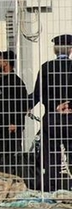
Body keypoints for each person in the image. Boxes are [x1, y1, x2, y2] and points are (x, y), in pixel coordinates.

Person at [32, 34, 72, 191]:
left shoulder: (46, 67)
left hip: (52, 118)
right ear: (70, 50)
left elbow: (37, 94)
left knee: (51, 157)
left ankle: (50, 190)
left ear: (55, 50)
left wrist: (23, 105)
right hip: (70, 118)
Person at [0, 50, 29, 177]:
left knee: (12, 154)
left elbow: (20, 104)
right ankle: (4, 177)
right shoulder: (1, 80)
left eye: (0, 60)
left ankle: (15, 177)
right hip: (2, 124)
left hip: (11, 126)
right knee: (3, 154)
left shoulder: (15, 81)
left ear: (6, 62)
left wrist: (14, 122)